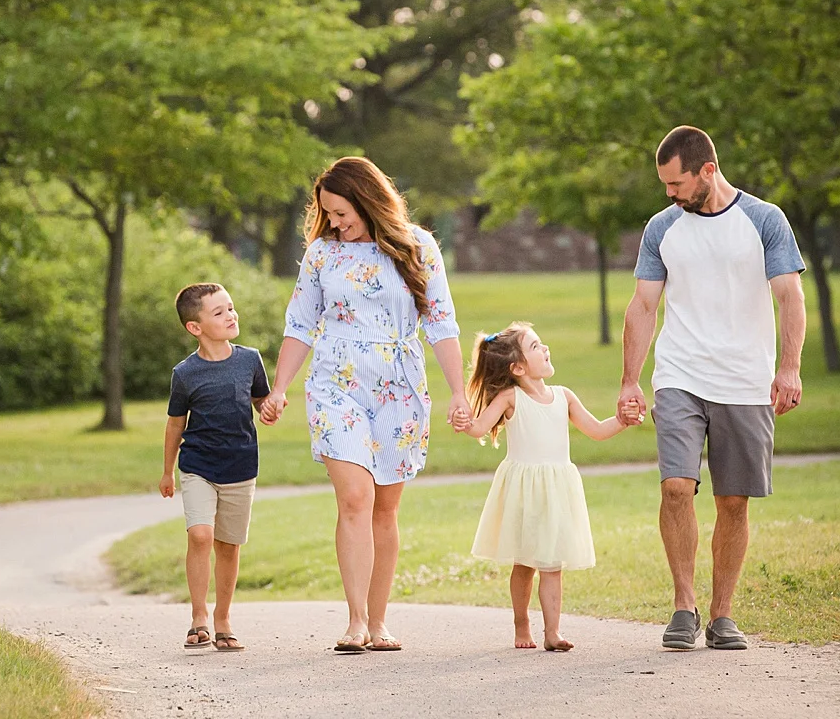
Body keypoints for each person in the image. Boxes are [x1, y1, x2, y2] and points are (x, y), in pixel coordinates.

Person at [259, 156, 472, 654]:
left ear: (366, 198)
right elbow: (300, 323)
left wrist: (459, 391)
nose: (335, 222)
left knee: (386, 507)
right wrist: (279, 386)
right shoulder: (321, 255)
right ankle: (354, 622)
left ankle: (379, 623)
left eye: (340, 212)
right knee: (355, 496)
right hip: (335, 383)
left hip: (400, 386)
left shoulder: (419, 247)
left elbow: (441, 324)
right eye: (328, 214)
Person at [617, 125, 807, 651]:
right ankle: (684, 606)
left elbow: (790, 297)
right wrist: (630, 380)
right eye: (664, 185)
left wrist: (788, 369)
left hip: (745, 380)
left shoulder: (765, 220)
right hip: (680, 375)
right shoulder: (662, 229)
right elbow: (643, 305)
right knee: (676, 487)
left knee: (733, 502)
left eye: (676, 183)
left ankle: (722, 616)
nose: (669, 194)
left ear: (707, 171)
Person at [464, 321, 635, 652]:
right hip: (524, 493)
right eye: (536, 347)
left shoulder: (563, 397)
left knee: (552, 564)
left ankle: (553, 631)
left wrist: (622, 420)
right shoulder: (510, 398)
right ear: (517, 367)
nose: (545, 349)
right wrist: (464, 421)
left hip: (556, 492)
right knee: (525, 564)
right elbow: (479, 427)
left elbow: (597, 430)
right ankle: (521, 623)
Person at [160, 282, 272, 652]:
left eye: (231, 307)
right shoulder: (185, 373)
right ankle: (199, 616)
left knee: (228, 545)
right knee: (200, 536)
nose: (231, 315)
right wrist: (167, 471)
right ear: (196, 327)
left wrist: (269, 409)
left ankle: (223, 618)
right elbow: (176, 424)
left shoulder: (250, 360)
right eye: (219, 312)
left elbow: (259, 401)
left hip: (241, 465)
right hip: (198, 466)